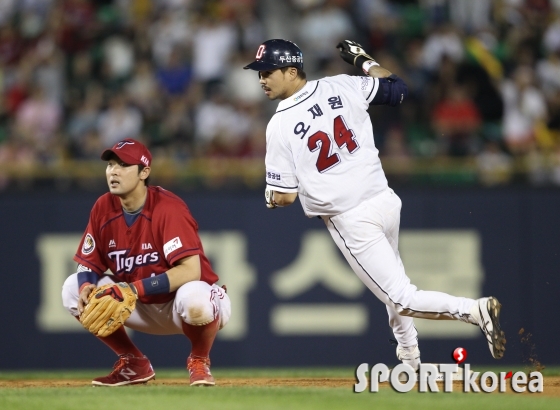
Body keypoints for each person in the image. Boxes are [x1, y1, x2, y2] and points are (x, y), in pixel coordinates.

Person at [243, 39, 506, 369]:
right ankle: (410, 358)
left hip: (352, 218)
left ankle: (474, 311)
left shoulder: (279, 124)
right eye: (259, 74)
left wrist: (269, 197)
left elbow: (284, 196)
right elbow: (396, 89)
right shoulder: (341, 85)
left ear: (292, 71)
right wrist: (362, 60)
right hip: (384, 201)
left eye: (267, 72)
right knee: (393, 286)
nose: (262, 80)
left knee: (400, 296)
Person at [61, 138, 231, 386]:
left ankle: (199, 360)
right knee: (71, 288)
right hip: (139, 306)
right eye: (110, 165)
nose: (114, 171)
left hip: (185, 305)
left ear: (144, 172)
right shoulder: (102, 207)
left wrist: (132, 289)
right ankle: (133, 362)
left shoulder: (167, 208)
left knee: (195, 299)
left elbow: (191, 271)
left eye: (123, 165)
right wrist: (87, 285)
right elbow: (88, 263)